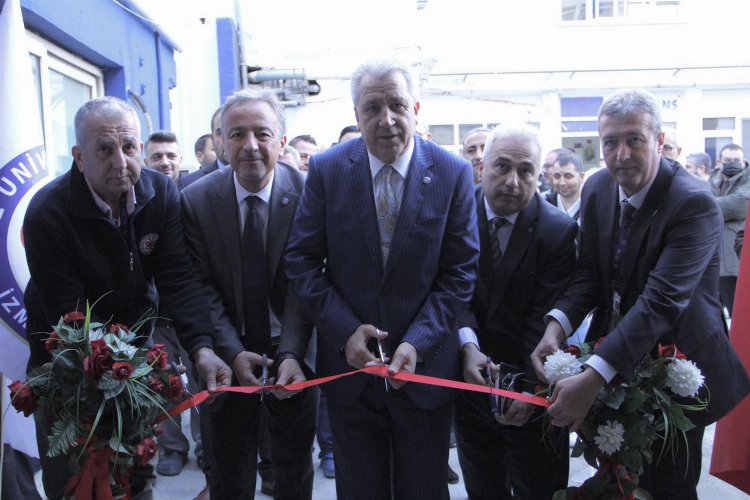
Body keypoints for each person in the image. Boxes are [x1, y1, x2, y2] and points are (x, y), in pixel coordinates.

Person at [531, 88, 750, 500]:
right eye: (610, 142)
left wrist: (592, 378)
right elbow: (590, 275)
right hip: (616, 358)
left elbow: (660, 302)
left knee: (667, 487)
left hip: (680, 369)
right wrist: (556, 327)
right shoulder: (598, 188)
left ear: (659, 141)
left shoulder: (694, 203)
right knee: (618, 482)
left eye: (634, 140)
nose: (621, 154)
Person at [285, 59, 479, 500]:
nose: (386, 119)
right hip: (351, 374)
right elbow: (301, 260)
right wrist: (344, 331)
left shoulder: (452, 172)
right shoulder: (328, 170)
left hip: (425, 371)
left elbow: (460, 272)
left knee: (424, 490)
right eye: (372, 107)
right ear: (357, 115)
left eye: (397, 105)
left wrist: (418, 342)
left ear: (416, 108)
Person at [22, 96, 231, 500]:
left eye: (129, 147)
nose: (121, 162)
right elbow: (68, 315)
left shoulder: (161, 192)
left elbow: (178, 278)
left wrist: (201, 348)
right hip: (66, 367)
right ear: (79, 157)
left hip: (133, 361)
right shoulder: (48, 212)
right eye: (105, 149)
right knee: (75, 482)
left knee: (135, 477)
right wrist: (123, 371)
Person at [181, 88, 317, 500]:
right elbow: (200, 286)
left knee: (293, 470)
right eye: (237, 134)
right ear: (221, 141)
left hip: (292, 348)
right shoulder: (196, 200)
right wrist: (230, 350)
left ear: (281, 140)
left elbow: (306, 282)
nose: (250, 145)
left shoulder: (309, 195)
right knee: (228, 472)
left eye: (262, 133)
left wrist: (291, 353)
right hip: (225, 353)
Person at [456, 125, 576, 499]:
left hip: (534, 387)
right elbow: (451, 291)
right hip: (469, 382)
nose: (513, 181)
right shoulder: (454, 214)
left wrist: (527, 389)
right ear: (482, 166)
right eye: (502, 166)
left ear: (539, 174)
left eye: (526, 171)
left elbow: (543, 319)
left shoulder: (558, 230)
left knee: (541, 489)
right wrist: (468, 346)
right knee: (483, 487)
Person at [142, 130, 205, 478]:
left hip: (191, 313)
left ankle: (206, 447)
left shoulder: (195, 198)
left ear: (181, 159)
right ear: (145, 160)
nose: (165, 162)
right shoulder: (140, 201)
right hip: (155, 317)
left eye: (171, 156)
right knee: (163, 385)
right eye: (157, 156)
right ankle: (172, 448)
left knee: (201, 382)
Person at [709, 143, 750, 318]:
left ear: (744, 161)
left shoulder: (748, 180)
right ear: (719, 162)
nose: (732, 163)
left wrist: (705, 206)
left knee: (739, 315)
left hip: (736, 263)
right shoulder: (712, 180)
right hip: (713, 261)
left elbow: (740, 206)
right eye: (728, 160)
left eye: (736, 160)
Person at [180, 107, 228, 189]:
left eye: (237, 133)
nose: (226, 139)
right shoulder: (189, 184)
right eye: (220, 133)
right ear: (212, 139)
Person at [546, 152, 585, 221]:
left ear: (581, 177)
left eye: (568, 176)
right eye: (557, 176)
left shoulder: (592, 205)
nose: (562, 183)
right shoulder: (545, 205)